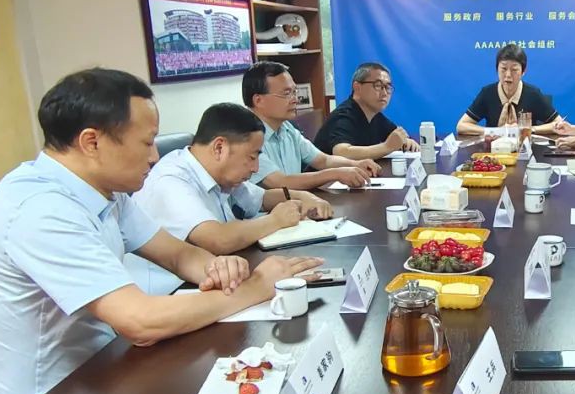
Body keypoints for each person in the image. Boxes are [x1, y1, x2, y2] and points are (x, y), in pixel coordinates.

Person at [0, 69, 323, 394]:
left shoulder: (105, 190)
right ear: (91, 142)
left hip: (103, 368)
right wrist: (257, 287)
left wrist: (219, 268)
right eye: (147, 143)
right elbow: (139, 321)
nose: (153, 156)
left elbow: (176, 254)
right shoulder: (40, 208)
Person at [125, 103, 334, 295]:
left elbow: (262, 198)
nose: (255, 168)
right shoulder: (171, 180)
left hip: (210, 279)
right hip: (170, 294)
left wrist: (302, 196)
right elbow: (217, 239)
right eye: (252, 157)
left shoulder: (219, 173)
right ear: (219, 148)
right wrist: (276, 220)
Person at [243, 62, 381, 189]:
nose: (295, 99)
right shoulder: (246, 137)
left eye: (294, 92)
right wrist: (336, 174)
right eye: (286, 93)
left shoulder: (287, 128)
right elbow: (281, 183)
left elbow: (323, 160)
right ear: (258, 100)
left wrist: (355, 164)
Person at [313, 62, 418, 158]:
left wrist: (405, 141)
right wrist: (387, 147)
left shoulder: (374, 115)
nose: (385, 93)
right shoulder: (343, 116)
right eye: (378, 85)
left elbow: (395, 137)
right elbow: (341, 151)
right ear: (357, 87)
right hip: (326, 173)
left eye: (388, 87)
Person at [456, 43, 562, 135]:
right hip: (493, 150)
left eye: (514, 70)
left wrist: (529, 130)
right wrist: (494, 131)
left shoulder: (533, 94)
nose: (508, 75)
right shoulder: (487, 93)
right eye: (503, 68)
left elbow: (559, 124)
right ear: (497, 69)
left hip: (525, 149)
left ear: (523, 71)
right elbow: (461, 126)